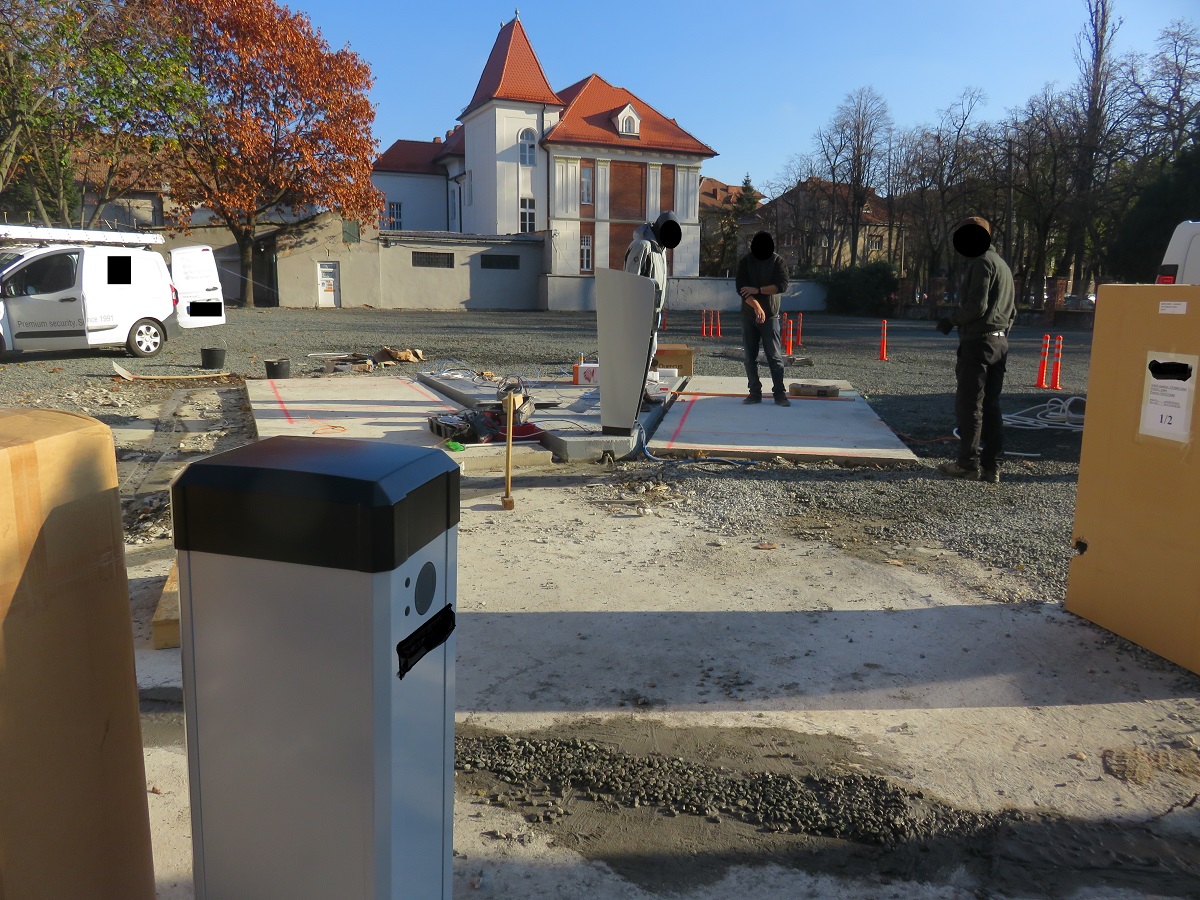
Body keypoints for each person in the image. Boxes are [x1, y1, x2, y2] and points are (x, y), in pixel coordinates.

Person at [936, 216, 1016, 483]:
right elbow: (1012, 311)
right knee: (991, 405)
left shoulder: (982, 263)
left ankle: (967, 464)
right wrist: (1000, 334)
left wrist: (952, 320)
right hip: (999, 343)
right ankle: (992, 467)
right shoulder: (1003, 266)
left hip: (978, 343)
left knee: (971, 404)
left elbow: (976, 307)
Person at [624, 211, 681, 408]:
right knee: (636, 355)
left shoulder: (659, 249)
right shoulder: (642, 246)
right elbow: (630, 279)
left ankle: (640, 391)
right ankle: (632, 397)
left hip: (653, 311)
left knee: (649, 353)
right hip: (639, 311)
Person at [736, 230, 790, 405]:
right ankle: (754, 393)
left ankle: (779, 394)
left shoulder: (778, 262)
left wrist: (758, 290)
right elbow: (741, 289)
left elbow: (782, 285)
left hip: (771, 316)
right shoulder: (745, 262)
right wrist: (757, 306)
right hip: (749, 315)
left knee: (774, 357)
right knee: (749, 357)